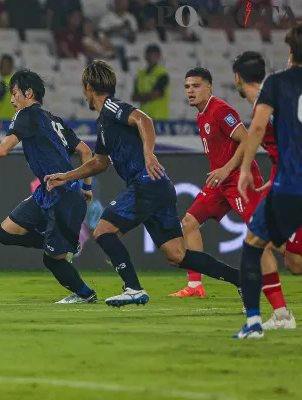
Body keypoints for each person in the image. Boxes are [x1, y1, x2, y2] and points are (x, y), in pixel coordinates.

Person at [45, 60, 242, 307]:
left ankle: (133, 288)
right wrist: (67, 176)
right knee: (177, 255)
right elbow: (99, 163)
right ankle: (241, 279)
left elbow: (144, 120)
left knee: (103, 231)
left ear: (88, 87)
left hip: (145, 183)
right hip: (159, 186)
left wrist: (149, 154)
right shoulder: (103, 122)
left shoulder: (111, 106)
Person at [0, 69, 97, 304]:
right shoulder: (55, 121)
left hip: (63, 196)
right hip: (51, 192)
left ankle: (86, 294)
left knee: (52, 260)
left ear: (29, 92)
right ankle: (64, 242)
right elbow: (86, 151)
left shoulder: (26, 115)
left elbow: (2, 150)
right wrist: (87, 187)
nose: (12, 100)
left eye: (14, 93)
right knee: (4, 232)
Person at [168, 68, 265, 297]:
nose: (190, 91)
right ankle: (195, 286)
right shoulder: (201, 115)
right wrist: (220, 172)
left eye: (196, 85)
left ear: (209, 87)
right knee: (189, 222)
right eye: (187, 86)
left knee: (262, 232)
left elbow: (248, 139)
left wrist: (226, 168)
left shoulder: (220, 110)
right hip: (219, 182)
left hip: (239, 178)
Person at [235, 25, 302, 339]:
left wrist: (246, 169)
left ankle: (253, 324)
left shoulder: (276, 83)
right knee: (292, 260)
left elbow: (258, 129)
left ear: (290, 51)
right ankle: (281, 314)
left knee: (254, 245)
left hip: (291, 185)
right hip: (285, 181)